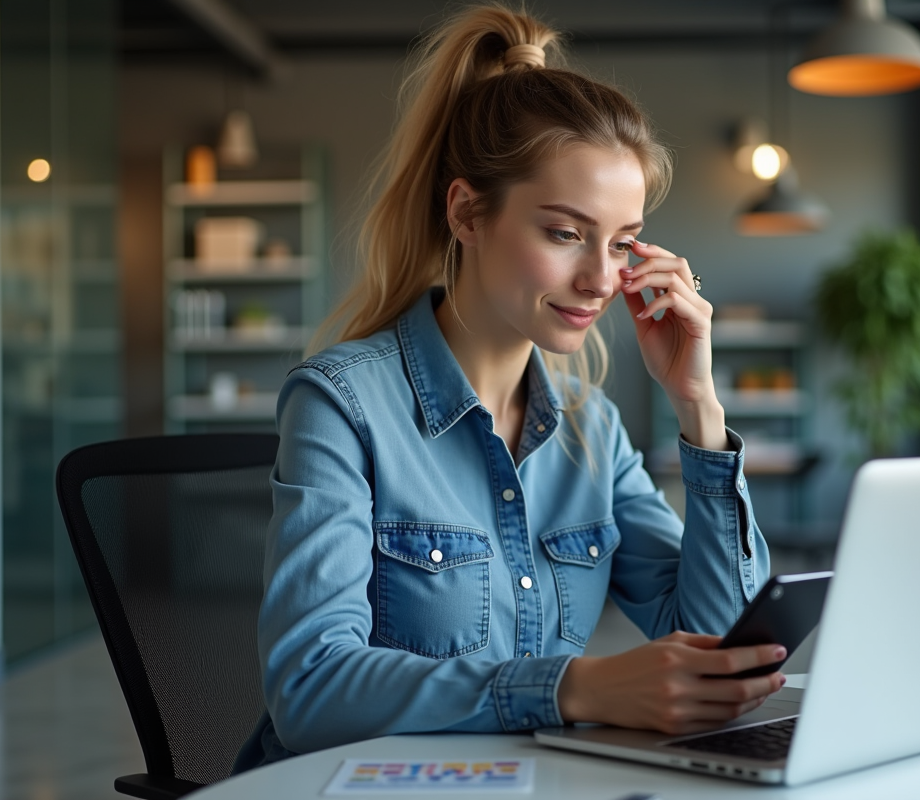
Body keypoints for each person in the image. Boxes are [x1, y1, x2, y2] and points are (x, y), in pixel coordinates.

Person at [234, 4, 781, 773]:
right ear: (467, 212)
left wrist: (699, 408)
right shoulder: (342, 405)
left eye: (622, 244)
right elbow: (310, 688)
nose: (601, 279)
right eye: (565, 233)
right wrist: (571, 688)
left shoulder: (592, 429)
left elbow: (724, 649)